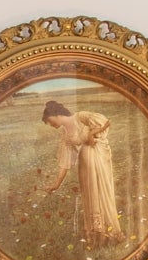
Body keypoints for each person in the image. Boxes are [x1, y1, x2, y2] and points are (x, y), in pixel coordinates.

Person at [34, 99, 125, 248]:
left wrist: (92, 136)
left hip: (98, 158)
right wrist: (56, 184)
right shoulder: (66, 134)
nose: (50, 125)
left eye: (49, 121)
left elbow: (104, 123)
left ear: (55, 114)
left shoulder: (81, 117)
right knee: (91, 195)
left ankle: (112, 232)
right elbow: (65, 162)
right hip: (85, 164)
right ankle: (98, 234)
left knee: (102, 192)